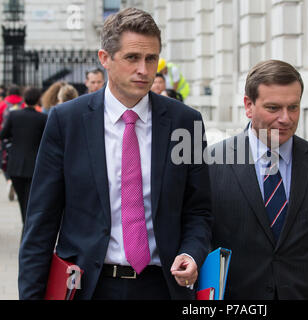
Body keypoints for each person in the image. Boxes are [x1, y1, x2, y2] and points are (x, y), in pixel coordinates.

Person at [18, 7, 212, 300]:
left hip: (163, 286)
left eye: (151, 59)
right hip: (89, 287)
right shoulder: (66, 121)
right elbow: (41, 221)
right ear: (104, 59)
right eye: (132, 58)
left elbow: (199, 209)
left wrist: (192, 252)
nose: (144, 70)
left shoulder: (186, 122)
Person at [207, 60, 308, 300]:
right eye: (273, 108)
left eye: (293, 107)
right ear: (249, 106)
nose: (286, 118)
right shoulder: (212, 163)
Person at [0, 87, 47, 234]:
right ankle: (28, 228)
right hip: (35, 165)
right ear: (38, 99)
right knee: (31, 200)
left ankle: (25, 226)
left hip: (15, 165)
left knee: (22, 201)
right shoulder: (42, 118)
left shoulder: (14, 115)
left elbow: (3, 134)